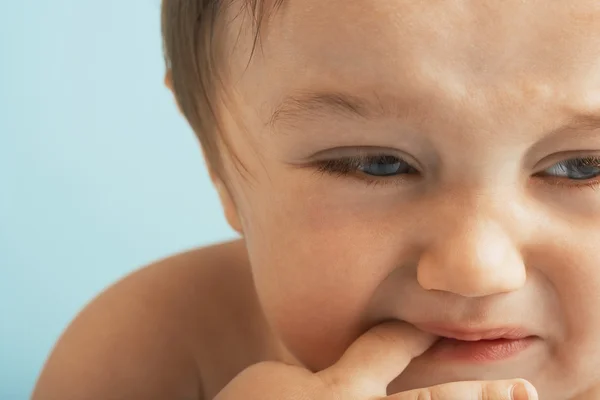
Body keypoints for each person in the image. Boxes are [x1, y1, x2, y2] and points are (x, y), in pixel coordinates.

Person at [32, 0, 600, 399]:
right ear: (217, 160)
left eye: (583, 168)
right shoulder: (160, 352)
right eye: (375, 164)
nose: (477, 269)